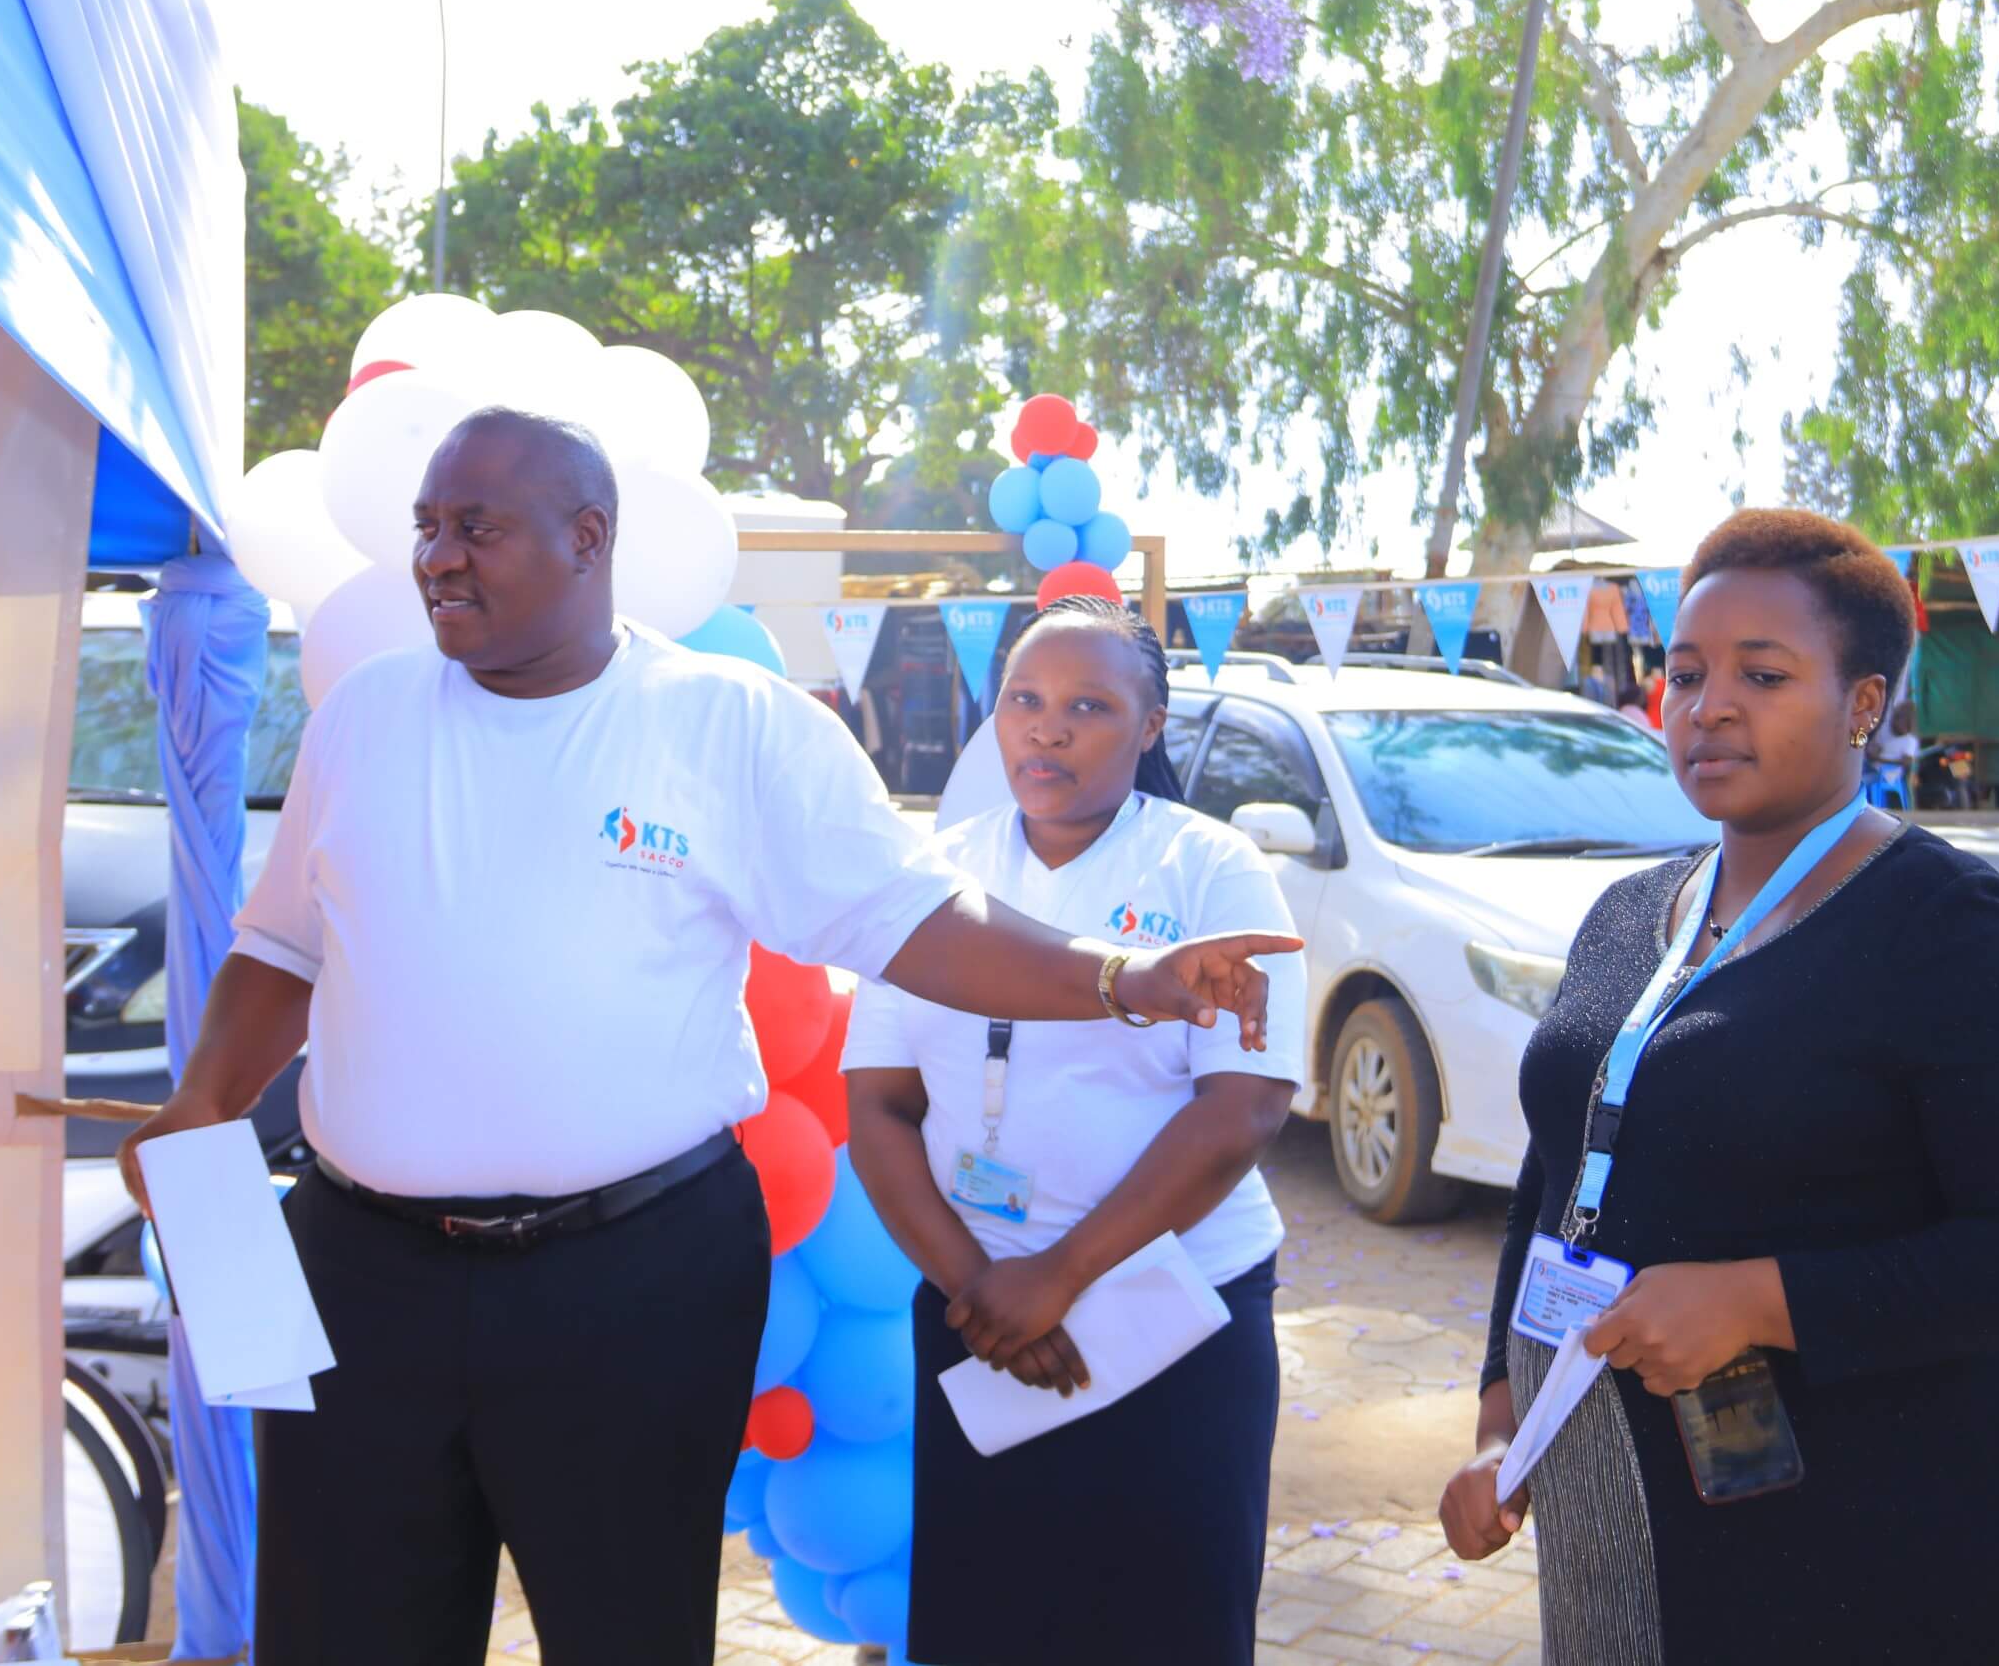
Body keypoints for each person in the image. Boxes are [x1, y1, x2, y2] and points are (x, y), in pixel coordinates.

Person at [115, 409, 1299, 1666]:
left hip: (628, 1277)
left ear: (588, 538)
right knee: (343, 1633)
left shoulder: (728, 722)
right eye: (425, 526)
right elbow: (284, 945)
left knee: (626, 1631)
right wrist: (204, 1100)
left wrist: (1122, 977)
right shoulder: (364, 712)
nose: (437, 557)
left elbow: (918, 922)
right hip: (366, 1272)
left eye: (476, 528)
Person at [1437, 508, 1999, 1664]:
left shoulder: (1954, 933)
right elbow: (1559, 1168)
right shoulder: (1628, 913)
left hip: (1909, 1552)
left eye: (1761, 676)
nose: (1708, 707)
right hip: (1639, 1527)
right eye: (1685, 674)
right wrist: (1502, 1419)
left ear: (1863, 704)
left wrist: (1757, 1302)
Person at [843, 597, 1302, 1666]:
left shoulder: (1212, 867)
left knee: (1167, 1629)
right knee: (987, 1625)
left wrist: (1058, 1276)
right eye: (1024, 700)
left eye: (1089, 706)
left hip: (1174, 1315)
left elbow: (1243, 1107)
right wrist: (978, 1286)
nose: (1047, 727)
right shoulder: (932, 878)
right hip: (980, 1320)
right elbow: (878, 1107)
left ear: (1151, 725)